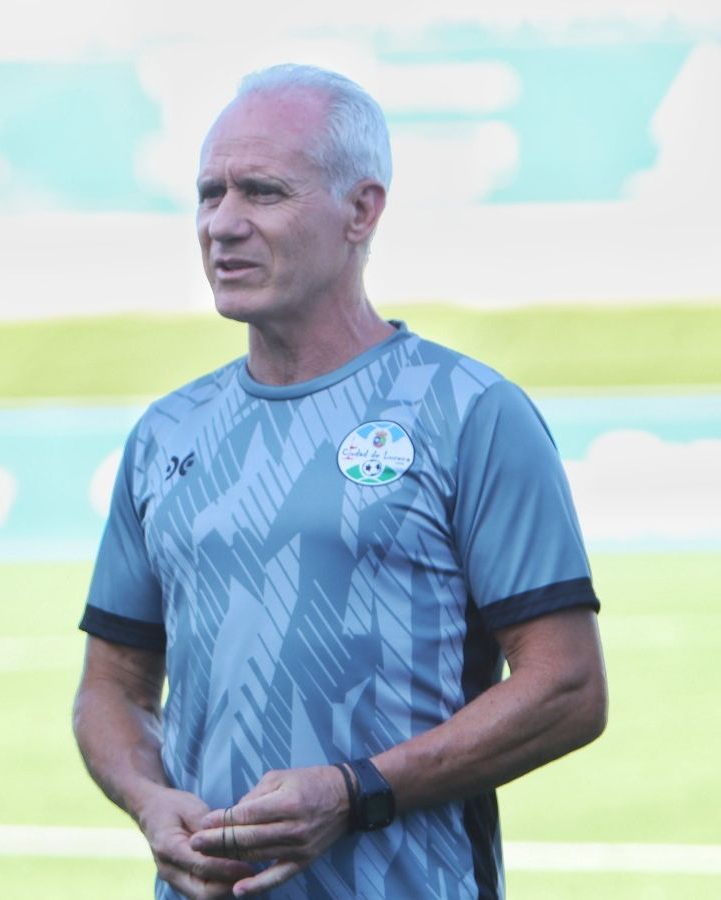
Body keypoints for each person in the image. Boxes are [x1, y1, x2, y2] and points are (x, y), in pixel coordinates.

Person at [72, 64, 607, 899]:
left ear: (362, 210)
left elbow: (568, 687)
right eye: (209, 194)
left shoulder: (470, 412)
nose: (223, 224)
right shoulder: (165, 434)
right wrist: (149, 802)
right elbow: (112, 685)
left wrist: (354, 791)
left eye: (263, 192)